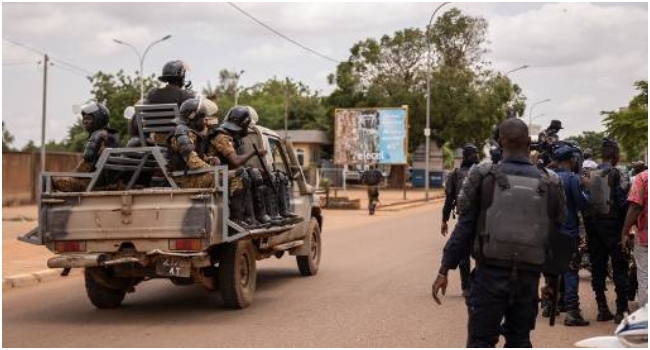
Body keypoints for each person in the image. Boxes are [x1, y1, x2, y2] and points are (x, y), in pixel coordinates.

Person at [431, 118, 567, 347]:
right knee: (519, 340)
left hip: (488, 278)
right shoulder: (551, 181)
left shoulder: (483, 176)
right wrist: (552, 281)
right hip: (528, 280)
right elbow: (557, 233)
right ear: (529, 143)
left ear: (499, 142)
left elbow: (464, 227)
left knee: (481, 341)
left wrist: (444, 269)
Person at [583, 138, 630, 324]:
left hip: (593, 226)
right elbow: (623, 202)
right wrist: (626, 230)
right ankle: (620, 310)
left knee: (598, 267)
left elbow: (586, 203)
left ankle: (602, 308)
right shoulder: (618, 174)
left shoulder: (590, 174)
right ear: (616, 156)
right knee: (619, 266)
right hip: (613, 226)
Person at [549, 143, 591, 326]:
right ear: (569, 160)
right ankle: (572, 312)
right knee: (570, 270)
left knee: (551, 269)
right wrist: (588, 190)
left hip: (549, 232)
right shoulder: (573, 179)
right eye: (574, 158)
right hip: (568, 231)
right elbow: (583, 203)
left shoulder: (546, 177)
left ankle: (550, 305)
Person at [127, 60, 196, 147]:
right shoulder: (185, 95)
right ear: (181, 76)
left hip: (154, 141)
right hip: (177, 142)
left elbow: (137, 120)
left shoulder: (152, 94)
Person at [441, 143, 480, 297]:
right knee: (481, 255)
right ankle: (475, 283)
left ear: (463, 157)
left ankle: (466, 287)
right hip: (482, 220)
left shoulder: (456, 174)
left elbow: (449, 200)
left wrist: (444, 220)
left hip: (464, 219)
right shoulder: (483, 173)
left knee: (464, 255)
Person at [53, 102, 120, 192]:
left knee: (52, 180)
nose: (85, 121)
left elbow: (85, 167)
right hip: (108, 181)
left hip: (93, 182)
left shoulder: (97, 136)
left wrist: (71, 177)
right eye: (84, 119)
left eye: (88, 118)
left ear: (98, 119)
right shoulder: (112, 135)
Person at [167, 97, 219, 188]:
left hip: (193, 175)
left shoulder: (190, 132)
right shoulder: (182, 133)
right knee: (230, 178)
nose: (205, 121)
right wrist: (213, 170)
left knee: (242, 176)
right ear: (192, 116)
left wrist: (211, 160)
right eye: (203, 117)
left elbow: (198, 156)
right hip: (184, 179)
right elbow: (193, 161)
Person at [621, 169, 647, 309]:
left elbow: (635, 207)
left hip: (645, 237)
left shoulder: (643, 178)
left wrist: (624, 232)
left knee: (644, 277)